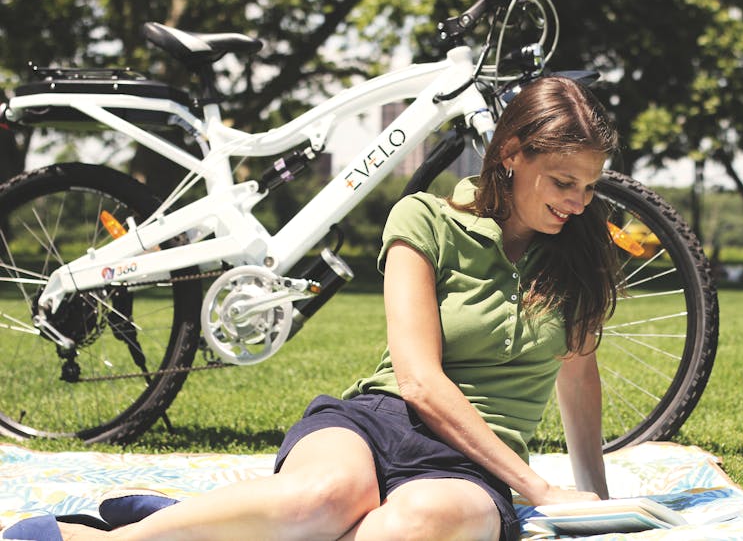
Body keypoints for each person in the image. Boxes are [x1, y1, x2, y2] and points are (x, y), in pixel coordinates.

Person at [6, 75, 620, 541]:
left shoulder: (580, 254)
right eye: (563, 182)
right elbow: (419, 382)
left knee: (406, 526)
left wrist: (596, 501)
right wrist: (541, 488)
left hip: (474, 469)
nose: (578, 202)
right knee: (325, 495)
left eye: (589, 186)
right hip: (382, 421)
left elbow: (578, 374)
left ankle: (204, 526)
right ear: (511, 154)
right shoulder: (425, 219)